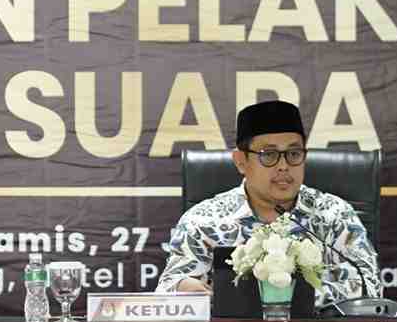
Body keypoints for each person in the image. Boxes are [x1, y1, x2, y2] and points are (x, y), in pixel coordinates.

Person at [155, 99, 381, 307]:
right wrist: (181, 288)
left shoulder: (333, 214)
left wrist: (271, 295)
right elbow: (168, 291)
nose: (283, 166)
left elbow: (370, 287)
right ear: (241, 161)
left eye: (294, 153)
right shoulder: (203, 220)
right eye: (269, 155)